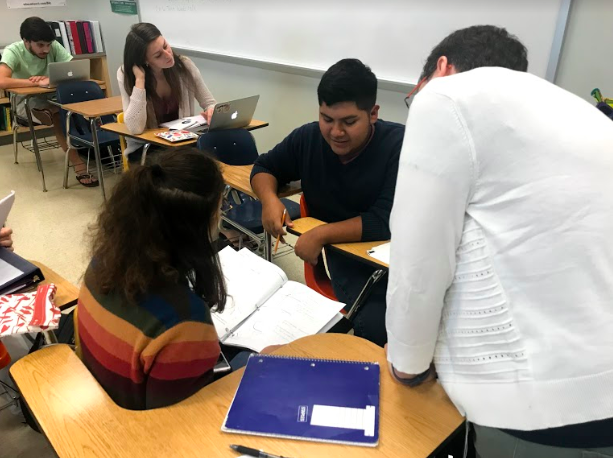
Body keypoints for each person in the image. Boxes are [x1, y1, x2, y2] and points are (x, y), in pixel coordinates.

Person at [385, 25, 613, 457]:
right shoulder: (575, 110)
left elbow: (419, 263)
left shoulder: (445, 98)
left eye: (412, 97)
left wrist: (407, 365)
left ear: (441, 68)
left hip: (538, 407)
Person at [251, 58, 404, 347]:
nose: (335, 132)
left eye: (349, 122)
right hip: (345, 256)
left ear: (373, 113)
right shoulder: (308, 138)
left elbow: (384, 220)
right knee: (379, 326)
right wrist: (269, 201)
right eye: (327, 119)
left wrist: (320, 233)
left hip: (395, 256)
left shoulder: (397, 144)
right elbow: (264, 168)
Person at [76, 147, 226, 410]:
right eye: (220, 207)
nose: (221, 215)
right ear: (196, 225)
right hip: (134, 435)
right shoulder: (184, 323)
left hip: (99, 403)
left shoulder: (103, 262)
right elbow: (176, 425)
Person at [0, 17, 98, 187]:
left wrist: (48, 79)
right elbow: (2, 81)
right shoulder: (13, 51)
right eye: (40, 45)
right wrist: (36, 82)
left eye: (48, 45)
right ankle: (79, 166)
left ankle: (95, 149)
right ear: (26, 41)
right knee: (59, 115)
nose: (46, 49)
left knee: (83, 107)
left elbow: (73, 70)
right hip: (25, 103)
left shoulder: (53, 46)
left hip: (52, 97)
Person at [118, 23, 216, 164]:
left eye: (165, 46)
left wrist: (211, 111)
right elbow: (135, 128)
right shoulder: (126, 75)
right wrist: (140, 81)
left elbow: (209, 103)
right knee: (190, 165)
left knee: (220, 147)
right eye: (158, 55)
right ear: (145, 61)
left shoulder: (184, 65)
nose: (168, 55)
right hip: (148, 147)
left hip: (182, 141)